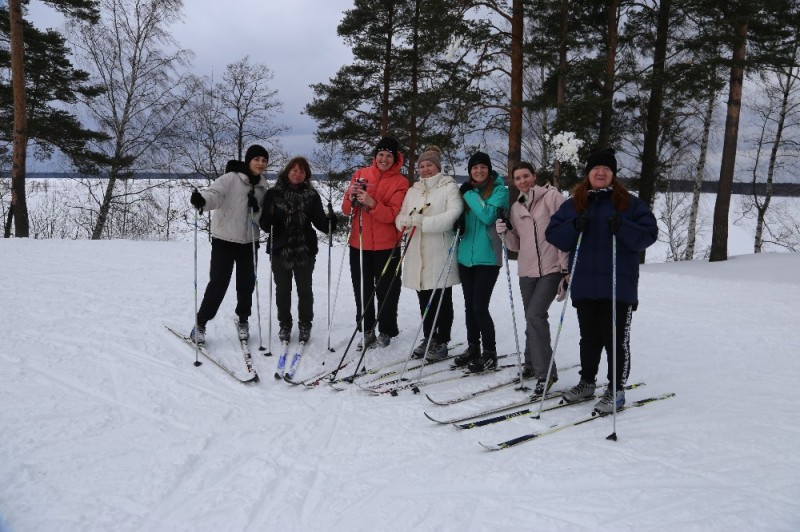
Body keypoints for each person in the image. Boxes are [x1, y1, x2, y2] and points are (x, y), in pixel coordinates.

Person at [545, 148, 657, 413]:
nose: (601, 172)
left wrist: (624, 227)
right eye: (596, 169)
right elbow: (553, 234)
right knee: (589, 338)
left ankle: (616, 390)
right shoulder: (574, 203)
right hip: (585, 284)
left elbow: (649, 234)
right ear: (588, 174)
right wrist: (574, 226)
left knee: (616, 339)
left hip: (619, 286)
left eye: (606, 169)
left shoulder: (629, 203)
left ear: (613, 175)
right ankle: (586, 383)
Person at [495, 162, 569, 395]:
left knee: (535, 315)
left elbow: (566, 231)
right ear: (514, 182)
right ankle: (531, 363)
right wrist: (504, 232)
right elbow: (516, 244)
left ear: (534, 176)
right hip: (526, 270)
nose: (522, 181)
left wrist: (566, 269)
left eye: (526, 176)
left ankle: (545, 372)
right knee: (531, 317)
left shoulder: (551, 197)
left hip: (551, 268)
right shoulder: (516, 208)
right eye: (517, 178)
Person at [189, 144, 269, 344]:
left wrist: (257, 210)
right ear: (248, 160)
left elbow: (262, 215)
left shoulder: (263, 185)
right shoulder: (230, 178)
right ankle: (200, 323)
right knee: (218, 283)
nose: (260, 164)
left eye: (264, 160)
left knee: (247, 284)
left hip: (250, 241)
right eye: (257, 159)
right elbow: (214, 195)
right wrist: (202, 201)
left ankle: (243, 320)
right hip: (224, 239)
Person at [259, 156, 337, 344]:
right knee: (283, 290)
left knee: (304, 290)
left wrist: (331, 223)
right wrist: (269, 220)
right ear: (287, 171)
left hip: (305, 250)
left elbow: (320, 223)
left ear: (306, 175)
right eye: (294, 170)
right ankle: (285, 324)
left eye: (302, 171)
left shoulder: (312, 195)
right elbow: (263, 224)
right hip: (279, 248)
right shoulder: (273, 194)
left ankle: (305, 324)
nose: (297, 174)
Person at [341, 136, 410, 350]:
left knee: (387, 290)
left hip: (386, 246)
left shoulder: (401, 182)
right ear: (375, 156)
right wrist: (351, 198)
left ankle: (387, 329)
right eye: (381, 154)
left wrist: (371, 203)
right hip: (359, 243)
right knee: (362, 289)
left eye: (389, 155)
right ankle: (367, 328)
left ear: (396, 158)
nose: (384, 158)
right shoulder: (361, 174)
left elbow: (391, 215)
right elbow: (346, 209)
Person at [396, 146, 463, 361]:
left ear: (437, 167)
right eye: (422, 166)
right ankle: (429, 336)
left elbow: (452, 215)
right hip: (417, 251)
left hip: (440, 251)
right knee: (423, 296)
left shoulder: (448, 187)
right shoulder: (413, 190)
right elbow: (402, 214)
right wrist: (403, 222)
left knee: (441, 298)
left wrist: (422, 222)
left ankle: (441, 340)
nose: (425, 169)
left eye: (429, 165)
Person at [452, 151, 509, 372]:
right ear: (470, 172)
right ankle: (473, 347)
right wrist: (458, 223)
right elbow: (461, 216)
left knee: (479, 307)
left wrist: (468, 195)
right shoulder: (467, 191)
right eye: (474, 168)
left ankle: (490, 353)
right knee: (469, 306)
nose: (479, 171)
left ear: (489, 169)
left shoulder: (499, 191)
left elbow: (487, 216)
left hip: (488, 258)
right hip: (466, 257)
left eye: (482, 167)